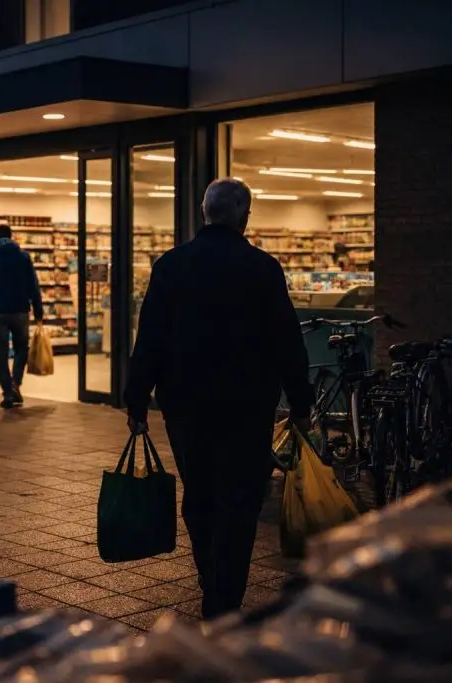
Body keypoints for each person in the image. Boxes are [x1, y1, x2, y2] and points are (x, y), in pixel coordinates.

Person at [124, 178, 313, 620]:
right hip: (247, 405)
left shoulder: (171, 265)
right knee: (241, 499)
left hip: (185, 404)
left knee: (200, 492)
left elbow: (149, 335)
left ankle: (211, 576)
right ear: (244, 216)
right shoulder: (262, 268)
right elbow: (287, 341)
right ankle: (224, 595)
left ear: (203, 212)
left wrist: (137, 397)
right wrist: (300, 401)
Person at [0, 222, 44, 409]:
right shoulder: (23, 257)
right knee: (22, 348)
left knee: (1, 353)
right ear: (12, 236)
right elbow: (33, 285)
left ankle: (7, 392)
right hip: (20, 309)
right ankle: (16, 383)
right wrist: (38, 309)